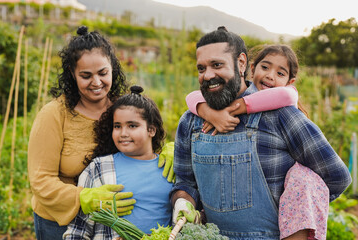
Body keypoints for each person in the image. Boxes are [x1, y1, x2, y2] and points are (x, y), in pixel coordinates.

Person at [170, 26, 352, 240]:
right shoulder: (190, 121)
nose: (208, 75)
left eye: (217, 65)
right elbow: (185, 182)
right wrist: (183, 200)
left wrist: (299, 209)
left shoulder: (281, 116)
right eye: (201, 69)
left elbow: (336, 176)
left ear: (241, 63)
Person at [28, 26, 173, 240]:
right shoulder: (54, 114)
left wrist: (169, 150)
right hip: (60, 220)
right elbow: (40, 179)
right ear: (72, 73)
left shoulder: (122, 109)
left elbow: (143, 143)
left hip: (113, 220)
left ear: (113, 68)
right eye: (86, 76)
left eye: (103, 73)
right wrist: (84, 198)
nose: (96, 82)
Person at [63, 85, 173, 239]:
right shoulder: (99, 168)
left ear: (151, 130)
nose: (123, 133)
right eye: (117, 126)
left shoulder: (169, 168)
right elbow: (79, 228)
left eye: (132, 126)